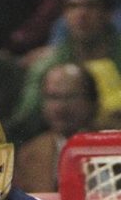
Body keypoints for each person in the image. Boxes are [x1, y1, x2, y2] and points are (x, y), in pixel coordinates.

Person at [10, 0, 121, 141]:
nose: (82, 14)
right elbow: (27, 123)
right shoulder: (47, 66)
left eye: (91, 6)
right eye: (73, 6)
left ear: (108, 13)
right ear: (63, 15)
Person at [14, 62, 97, 192]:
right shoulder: (28, 154)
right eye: (53, 97)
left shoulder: (117, 151)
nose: (60, 107)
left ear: (91, 101)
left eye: (70, 97)